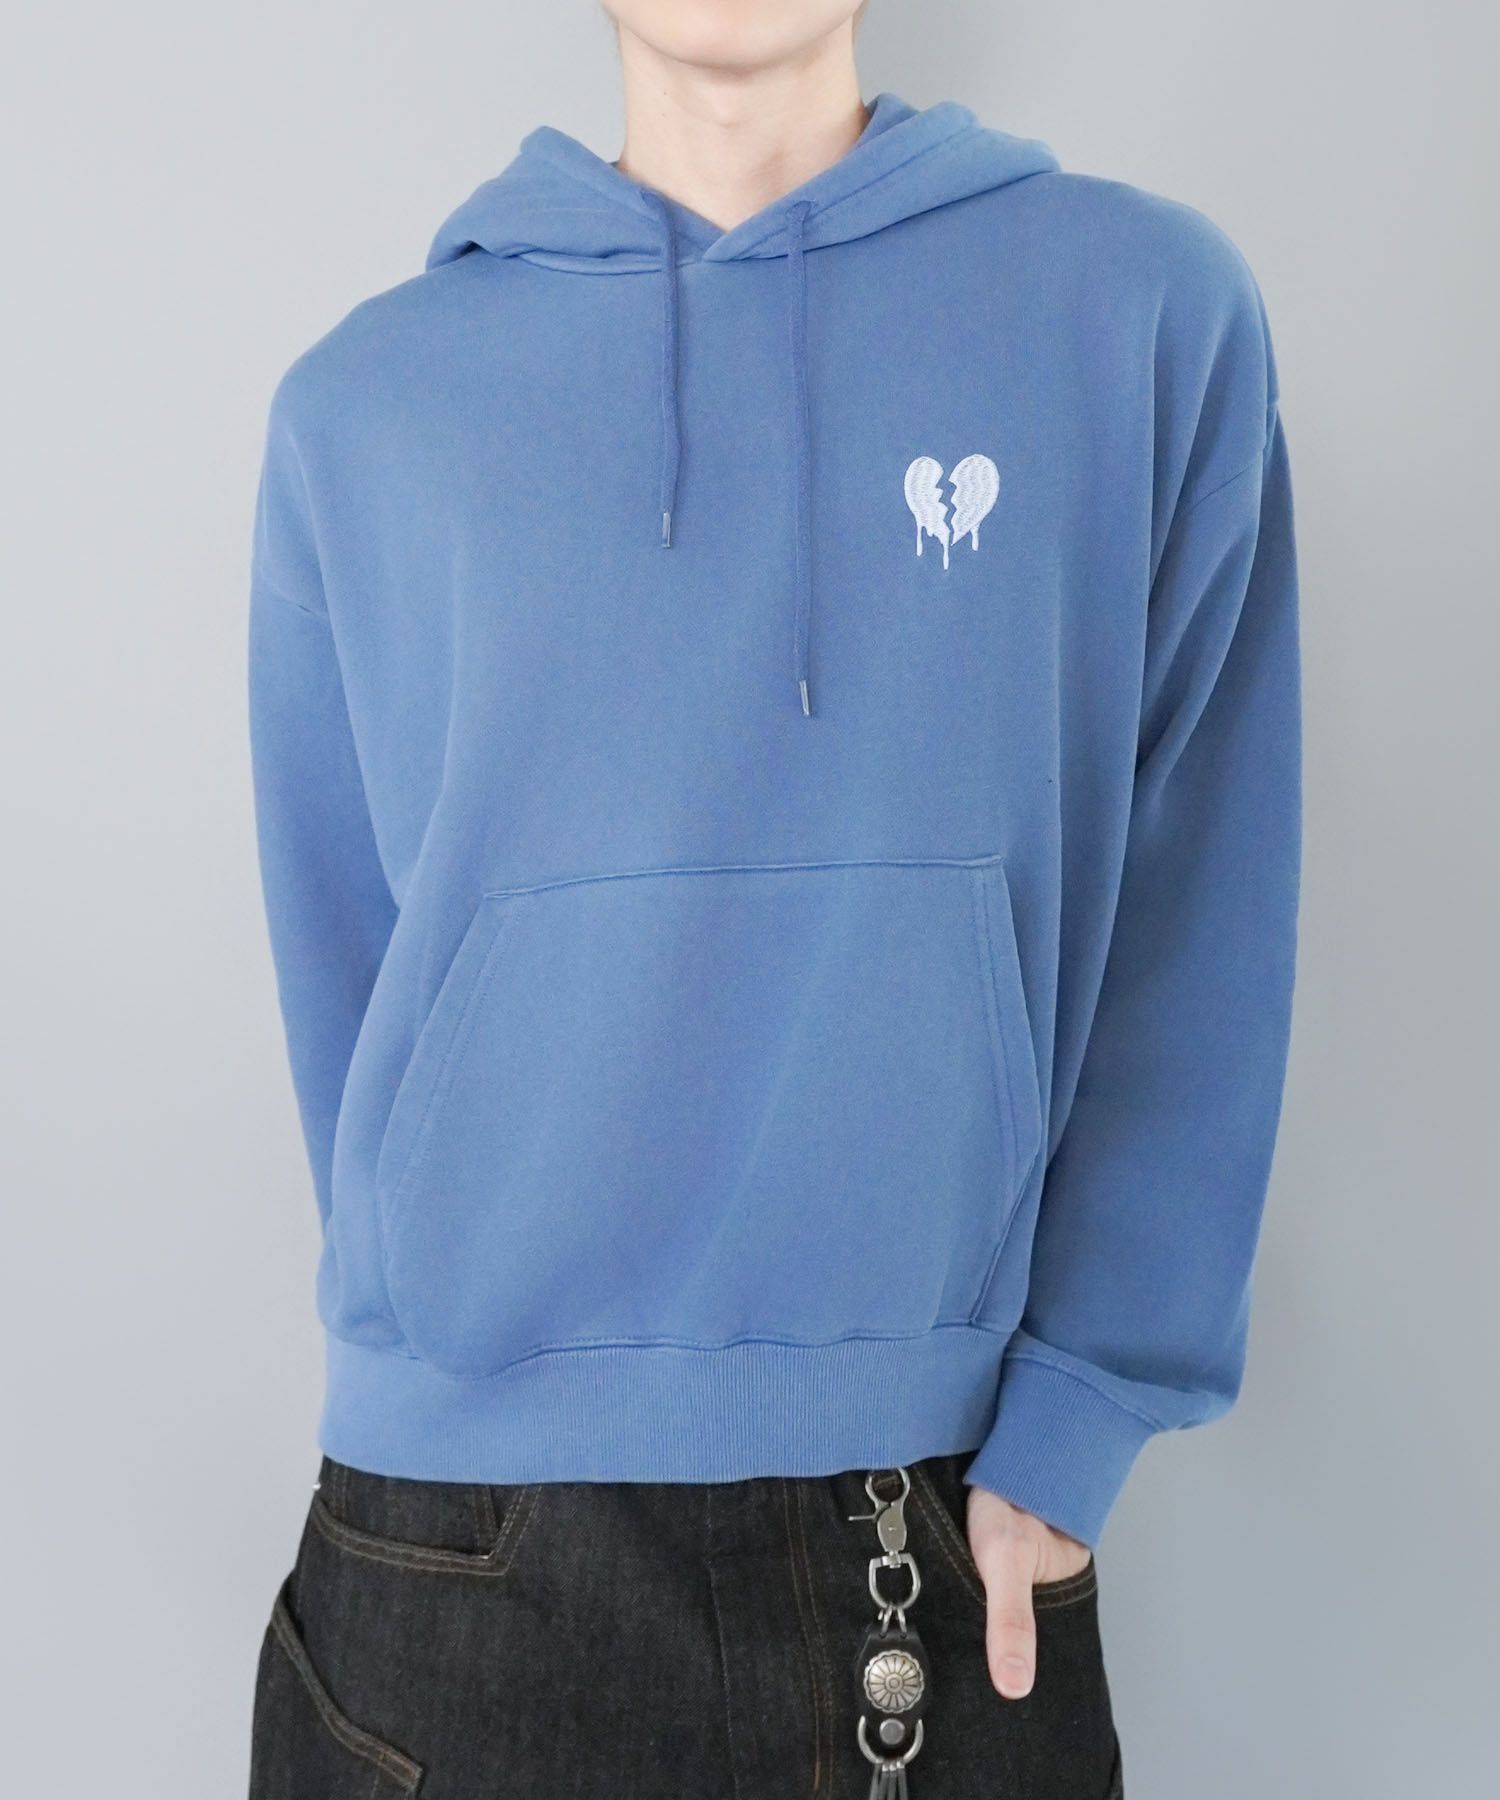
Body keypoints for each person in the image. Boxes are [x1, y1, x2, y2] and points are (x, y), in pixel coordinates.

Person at [245, 2, 1300, 1794]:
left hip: (936, 1514)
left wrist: (1086, 1405)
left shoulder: (1138, 317)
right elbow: (346, 968)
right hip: (456, 1547)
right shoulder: (367, 408)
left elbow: (1209, 893)